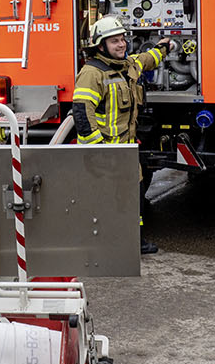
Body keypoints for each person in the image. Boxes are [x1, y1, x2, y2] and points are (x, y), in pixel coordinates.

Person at [70, 16, 174, 255]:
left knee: (133, 197)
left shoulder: (127, 66)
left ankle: (134, 242)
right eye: (114, 41)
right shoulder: (92, 73)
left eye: (123, 39)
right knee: (105, 201)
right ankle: (101, 246)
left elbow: (147, 60)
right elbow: (82, 114)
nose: (121, 44)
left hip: (126, 151)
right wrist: (99, 151)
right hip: (104, 154)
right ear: (100, 45)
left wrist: (165, 47)